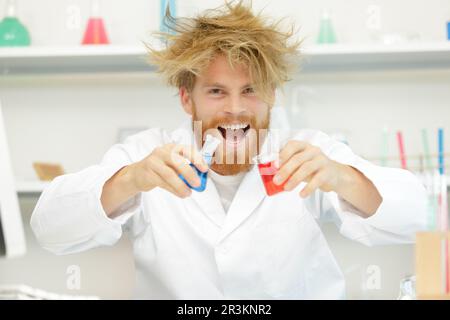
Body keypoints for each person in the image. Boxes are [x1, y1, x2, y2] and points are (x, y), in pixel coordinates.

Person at [31, 2, 427, 299]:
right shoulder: (148, 155)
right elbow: (49, 228)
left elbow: (416, 217)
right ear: (187, 99)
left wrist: (341, 177)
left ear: (272, 95)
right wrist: (131, 179)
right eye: (217, 91)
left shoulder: (310, 152)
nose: (235, 108)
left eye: (250, 90)